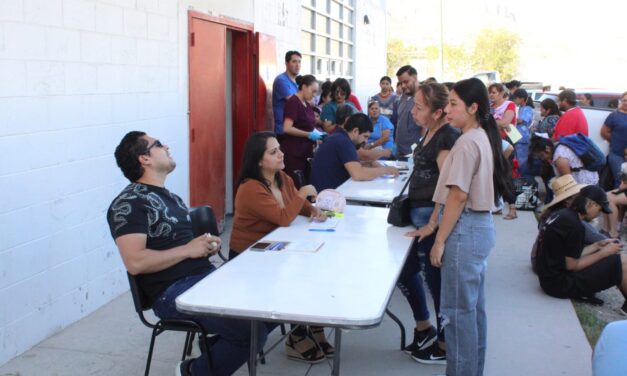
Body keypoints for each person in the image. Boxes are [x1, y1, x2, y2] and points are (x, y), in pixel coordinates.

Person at [107, 131, 271, 376]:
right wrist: (188, 249)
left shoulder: (171, 197)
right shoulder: (128, 203)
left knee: (272, 301)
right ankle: (192, 371)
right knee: (249, 331)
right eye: (159, 144)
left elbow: (185, 250)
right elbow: (135, 262)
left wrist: (204, 247)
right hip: (172, 293)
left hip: (203, 280)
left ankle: (215, 346)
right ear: (145, 159)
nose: (167, 146)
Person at [430, 78, 511, 376]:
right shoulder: (479, 137)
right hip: (476, 230)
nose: (447, 109)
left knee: (457, 314)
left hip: (465, 231)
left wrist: (440, 239)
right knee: (471, 311)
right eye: (447, 103)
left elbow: (458, 195)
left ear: (474, 107)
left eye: (454, 104)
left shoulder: (467, 142)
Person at [229, 131, 332, 364]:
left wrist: (313, 210)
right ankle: (298, 335)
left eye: (280, 149)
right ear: (258, 160)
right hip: (249, 256)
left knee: (316, 267)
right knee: (298, 276)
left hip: (275, 248)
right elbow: (284, 217)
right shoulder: (250, 188)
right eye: (273, 152)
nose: (281, 154)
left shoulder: (281, 178)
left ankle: (314, 328)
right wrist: (305, 192)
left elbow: (297, 204)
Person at [403, 83, 460, 365]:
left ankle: (444, 344)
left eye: (419, 107)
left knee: (435, 281)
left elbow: (448, 186)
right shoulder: (431, 132)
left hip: (429, 217)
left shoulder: (446, 137)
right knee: (408, 269)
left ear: (438, 112)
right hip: (419, 213)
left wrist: (434, 225)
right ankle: (425, 327)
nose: (413, 111)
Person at [535, 185, 627, 313]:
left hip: (548, 278)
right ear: (590, 204)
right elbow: (572, 266)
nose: (598, 215)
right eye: (599, 209)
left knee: (616, 258)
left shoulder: (562, 214)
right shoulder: (575, 226)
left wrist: (596, 246)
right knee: (619, 261)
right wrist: (604, 253)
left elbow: (567, 255)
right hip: (559, 285)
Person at [310, 113, 399, 191]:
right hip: (327, 195)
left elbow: (354, 164)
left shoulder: (339, 136)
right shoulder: (344, 141)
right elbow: (358, 174)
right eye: (365, 136)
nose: (366, 141)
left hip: (327, 189)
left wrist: (370, 164)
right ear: (355, 131)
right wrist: (385, 170)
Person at [281, 74, 325, 187]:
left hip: (305, 152)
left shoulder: (306, 104)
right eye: (313, 91)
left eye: (316, 92)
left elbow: (309, 124)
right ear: (304, 87)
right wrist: (308, 134)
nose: (314, 95)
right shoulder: (293, 102)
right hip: (294, 152)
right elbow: (287, 128)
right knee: (297, 186)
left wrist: (318, 134)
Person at [530, 134, 599, 185]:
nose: (543, 159)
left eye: (542, 155)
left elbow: (569, 183)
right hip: (590, 180)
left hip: (586, 184)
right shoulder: (558, 145)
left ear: (547, 149)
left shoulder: (559, 158)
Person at [394, 65, 423, 157]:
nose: (403, 86)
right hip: (400, 151)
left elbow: (425, 127)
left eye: (406, 82)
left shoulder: (424, 96)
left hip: (415, 153)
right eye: (400, 83)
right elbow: (400, 122)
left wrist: (420, 150)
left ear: (415, 77)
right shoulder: (403, 96)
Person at [600, 92, 627, 187]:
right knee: (621, 181)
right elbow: (604, 132)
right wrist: (616, 140)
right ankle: (618, 201)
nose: (626, 103)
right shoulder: (614, 115)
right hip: (617, 154)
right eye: (624, 100)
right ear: (621, 101)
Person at [272, 51, 301, 137]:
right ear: (286, 63)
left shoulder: (299, 80)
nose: (297, 65)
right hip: (284, 132)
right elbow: (295, 102)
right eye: (294, 61)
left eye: (299, 61)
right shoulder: (281, 80)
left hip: (296, 129)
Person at [512, 88, 534, 176]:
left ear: (521, 99)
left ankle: (525, 182)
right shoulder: (521, 108)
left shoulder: (528, 109)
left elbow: (521, 120)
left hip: (522, 139)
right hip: (517, 138)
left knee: (522, 163)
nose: (514, 100)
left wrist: (510, 118)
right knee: (517, 162)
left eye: (516, 98)